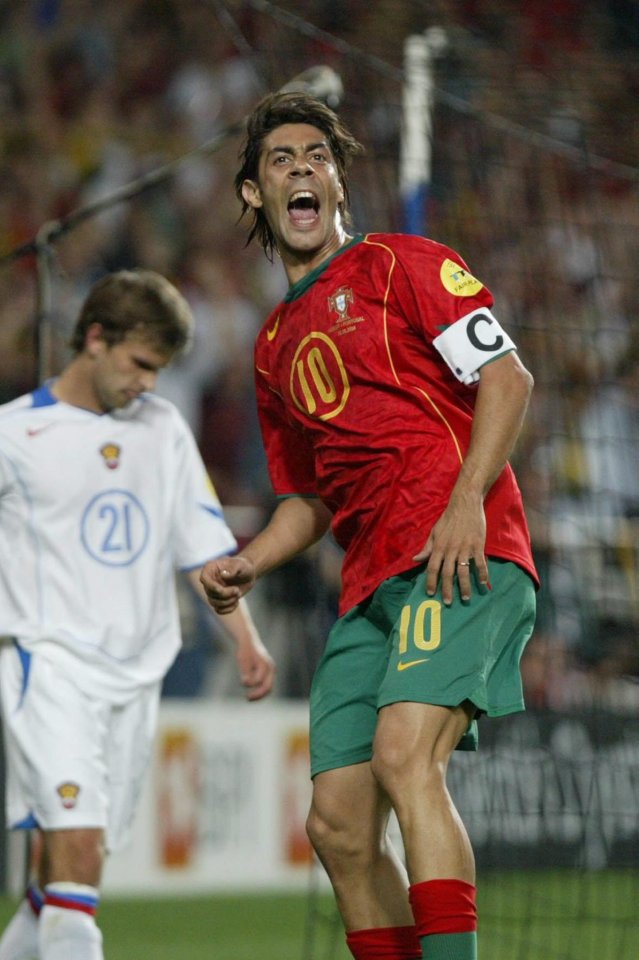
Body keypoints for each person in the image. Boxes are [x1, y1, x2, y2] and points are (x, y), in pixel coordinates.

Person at [200, 92, 538, 960]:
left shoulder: (402, 263)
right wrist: (251, 562)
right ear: (253, 193)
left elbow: (508, 381)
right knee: (338, 826)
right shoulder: (274, 342)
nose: (301, 168)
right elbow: (309, 499)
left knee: (402, 757)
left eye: (317, 154)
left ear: (339, 181)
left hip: (457, 553)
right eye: (280, 159)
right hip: (369, 586)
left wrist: (464, 501)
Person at [0, 268, 275, 960]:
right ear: (94, 339)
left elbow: (202, 550)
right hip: (49, 669)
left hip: (136, 678)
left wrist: (246, 640)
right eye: (140, 364)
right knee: (77, 850)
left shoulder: (165, 429)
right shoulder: (6, 434)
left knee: (64, 875)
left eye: (160, 368)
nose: (149, 382)